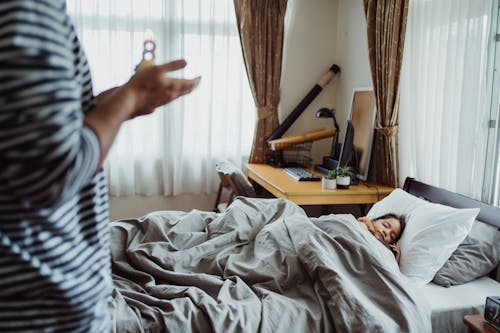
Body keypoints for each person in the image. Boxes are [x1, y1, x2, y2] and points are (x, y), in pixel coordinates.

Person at [0, 1, 200, 331]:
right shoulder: (29, 8)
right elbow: (55, 172)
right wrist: (130, 98)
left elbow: (37, 131)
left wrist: (122, 100)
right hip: (39, 303)